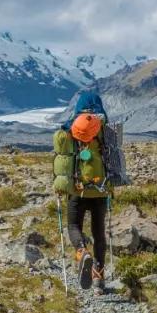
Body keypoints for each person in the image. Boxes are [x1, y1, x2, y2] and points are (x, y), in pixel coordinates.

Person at [52, 90, 111, 293]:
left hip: (78, 189)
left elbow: (61, 155)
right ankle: (98, 278)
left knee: (73, 225)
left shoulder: (70, 129)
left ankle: (81, 252)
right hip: (101, 189)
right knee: (99, 233)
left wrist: (60, 186)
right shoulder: (105, 128)